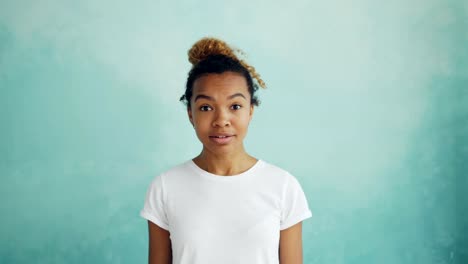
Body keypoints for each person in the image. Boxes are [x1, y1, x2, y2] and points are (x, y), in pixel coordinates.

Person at [140, 37, 312, 264]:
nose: (221, 120)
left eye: (235, 106)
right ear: (190, 114)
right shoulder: (165, 187)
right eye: (206, 107)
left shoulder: (283, 187)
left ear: (251, 110)